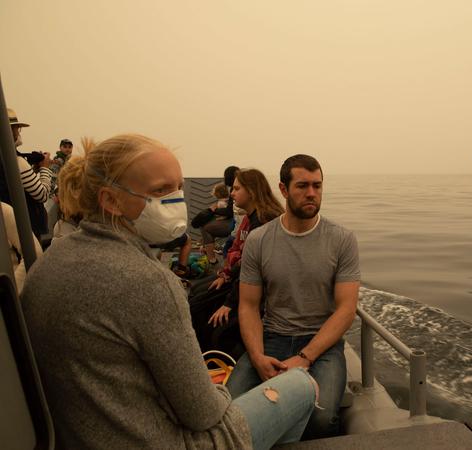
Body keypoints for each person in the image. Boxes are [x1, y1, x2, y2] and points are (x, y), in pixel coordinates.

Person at [21, 134, 318, 450]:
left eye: (177, 187)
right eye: (160, 191)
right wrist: (217, 392)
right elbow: (203, 414)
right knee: (300, 384)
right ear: (110, 200)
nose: (177, 199)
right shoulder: (148, 281)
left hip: (87, 432)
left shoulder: (50, 260)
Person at [226, 154, 361, 439]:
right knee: (229, 410)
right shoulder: (259, 240)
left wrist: (305, 357)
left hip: (322, 345)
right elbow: (248, 306)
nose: (311, 193)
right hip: (272, 337)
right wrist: (257, 356)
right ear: (284, 190)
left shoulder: (342, 239)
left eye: (317, 185)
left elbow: (346, 309)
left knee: (321, 418)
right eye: (302, 186)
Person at [191, 168, 284, 355]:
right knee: (197, 291)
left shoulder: (263, 221)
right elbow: (244, 261)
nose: (232, 194)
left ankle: (210, 358)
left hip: (260, 291)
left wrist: (228, 303)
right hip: (244, 280)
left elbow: (252, 269)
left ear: (251, 191)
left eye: (236, 189)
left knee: (201, 311)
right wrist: (225, 275)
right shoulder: (252, 218)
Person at [8, 108, 52, 238]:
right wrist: (45, 168)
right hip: (26, 231)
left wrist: (32, 172)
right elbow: (42, 194)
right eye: (17, 128)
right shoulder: (17, 161)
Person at [200, 166, 237, 264]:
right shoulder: (237, 187)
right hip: (234, 220)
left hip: (234, 222)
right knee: (208, 223)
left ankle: (212, 259)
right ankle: (207, 250)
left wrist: (214, 210)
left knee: (205, 228)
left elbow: (230, 211)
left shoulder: (234, 189)